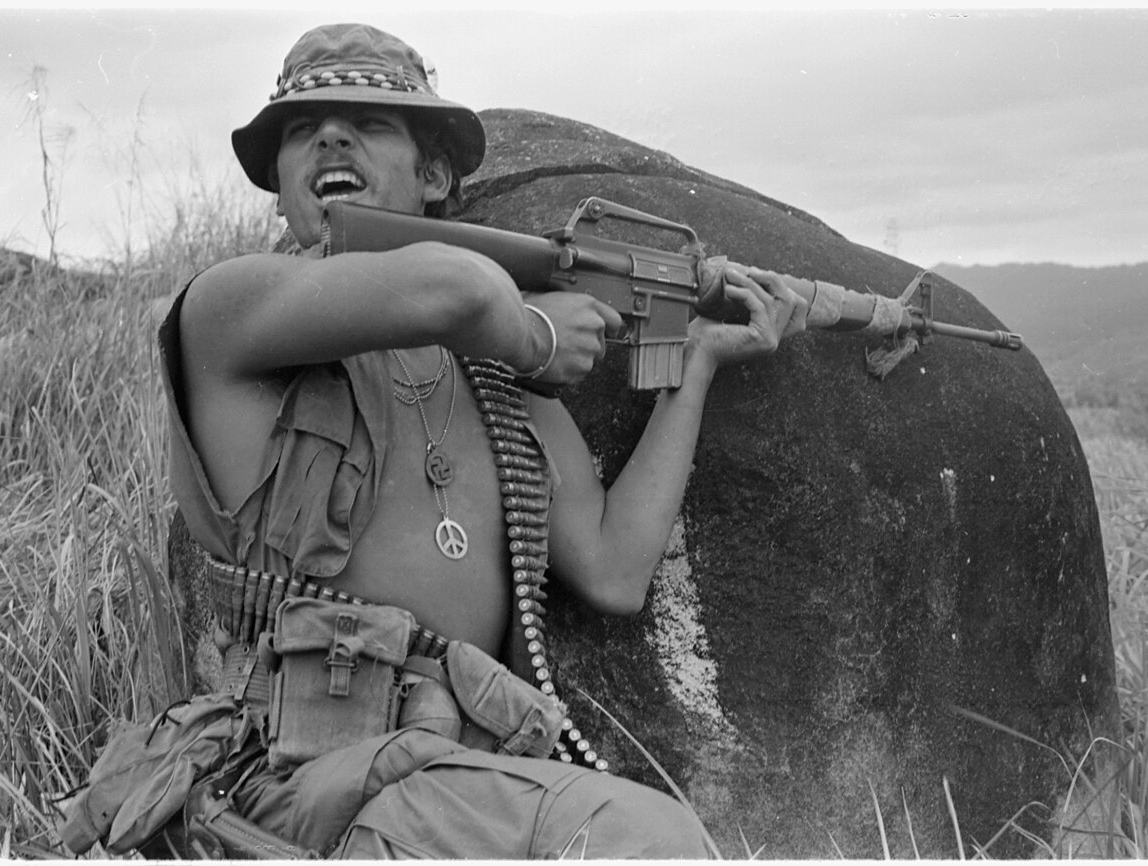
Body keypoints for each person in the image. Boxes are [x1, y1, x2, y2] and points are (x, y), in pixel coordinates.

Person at [156, 22, 804, 858]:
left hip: (466, 775)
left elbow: (613, 569)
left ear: (434, 175)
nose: (331, 136)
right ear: (279, 185)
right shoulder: (230, 306)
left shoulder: (496, 384)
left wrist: (701, 361)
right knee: (643, 836)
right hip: (296, 779)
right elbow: (455, 286)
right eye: (301, 128)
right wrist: (534, 332)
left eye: (370, 123)